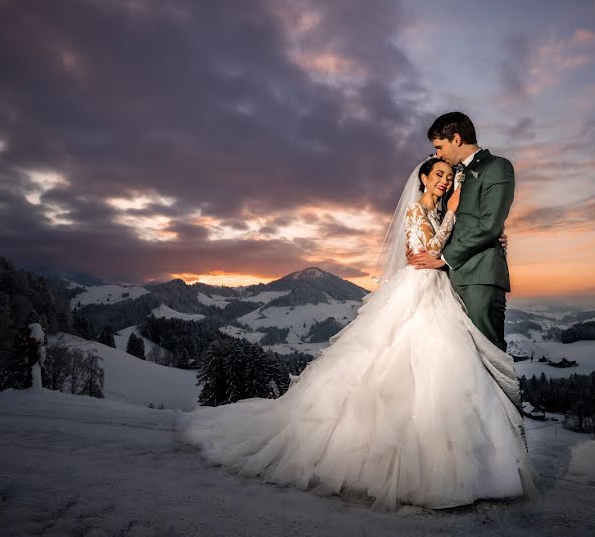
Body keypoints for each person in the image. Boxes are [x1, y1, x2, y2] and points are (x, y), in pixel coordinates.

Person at [182, 157, 537, 511]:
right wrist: (455, 214)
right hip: (419, 289)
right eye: (439, 175)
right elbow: (430, 252)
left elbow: (439, 248)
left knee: (447, 365)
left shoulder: (437, 209)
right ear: (424, 179)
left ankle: (474, 465)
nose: (445, 181)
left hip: (437, 289)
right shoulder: (416, 210)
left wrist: (472, 229)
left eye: (448, 176)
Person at [408, 112, 515, 352]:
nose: (438, 154)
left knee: (488, 353)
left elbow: (489, 224)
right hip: (447, 282)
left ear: (456, 139)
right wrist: (418, 246)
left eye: (439, 147)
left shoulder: (497, 167)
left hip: (479, 279)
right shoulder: (451, 175)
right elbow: (439, 220)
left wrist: (442, 258)